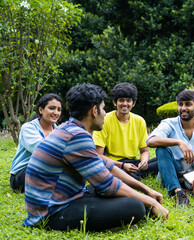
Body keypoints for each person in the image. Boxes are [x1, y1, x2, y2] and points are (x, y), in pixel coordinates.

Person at [23, 84, 169, 232]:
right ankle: (111, 225)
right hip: (51, 213)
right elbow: (107, 185)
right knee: (135, 206)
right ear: (94, 110)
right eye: (103, 108)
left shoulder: (70, 129)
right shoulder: (77, 136)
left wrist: (145, 189)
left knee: (123, 192)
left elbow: (107, 167)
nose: (105, 113)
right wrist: (151, 202)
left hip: (68, 197)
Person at [93, 82, 157, 179]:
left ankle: (132, 175)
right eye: (121, 100)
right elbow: (98, 155)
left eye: (128, 101)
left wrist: (144, 161)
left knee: (162, 160)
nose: (125, 104)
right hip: (114, 164)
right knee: (114, 172)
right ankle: (132, 176)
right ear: (115, 102)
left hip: (133, 163)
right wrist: (122, 165)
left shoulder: (139, 121)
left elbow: (144, 151)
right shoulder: (105, 120)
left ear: (133, 103)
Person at [9, 93, 63, 193]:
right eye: (52, 108)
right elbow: (41, 150)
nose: (56, 112)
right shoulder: (28, 128)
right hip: (23, 175)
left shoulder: (59, 131)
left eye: (59, 110)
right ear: (40, 110)